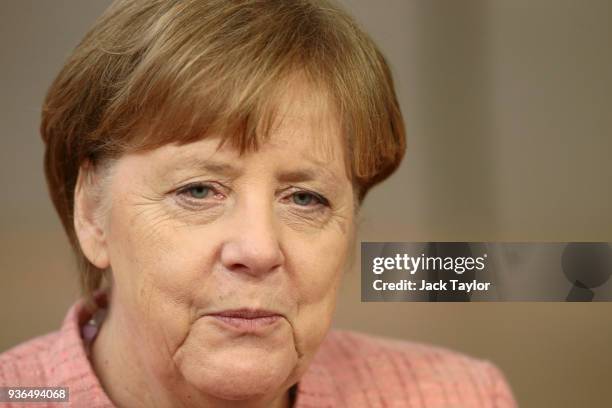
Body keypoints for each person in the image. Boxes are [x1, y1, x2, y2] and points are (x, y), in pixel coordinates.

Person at [0, 0, 517, 406]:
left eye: (305, 198)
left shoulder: (459, 397)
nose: (260, 248)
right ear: (91, 211)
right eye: (198, 190)